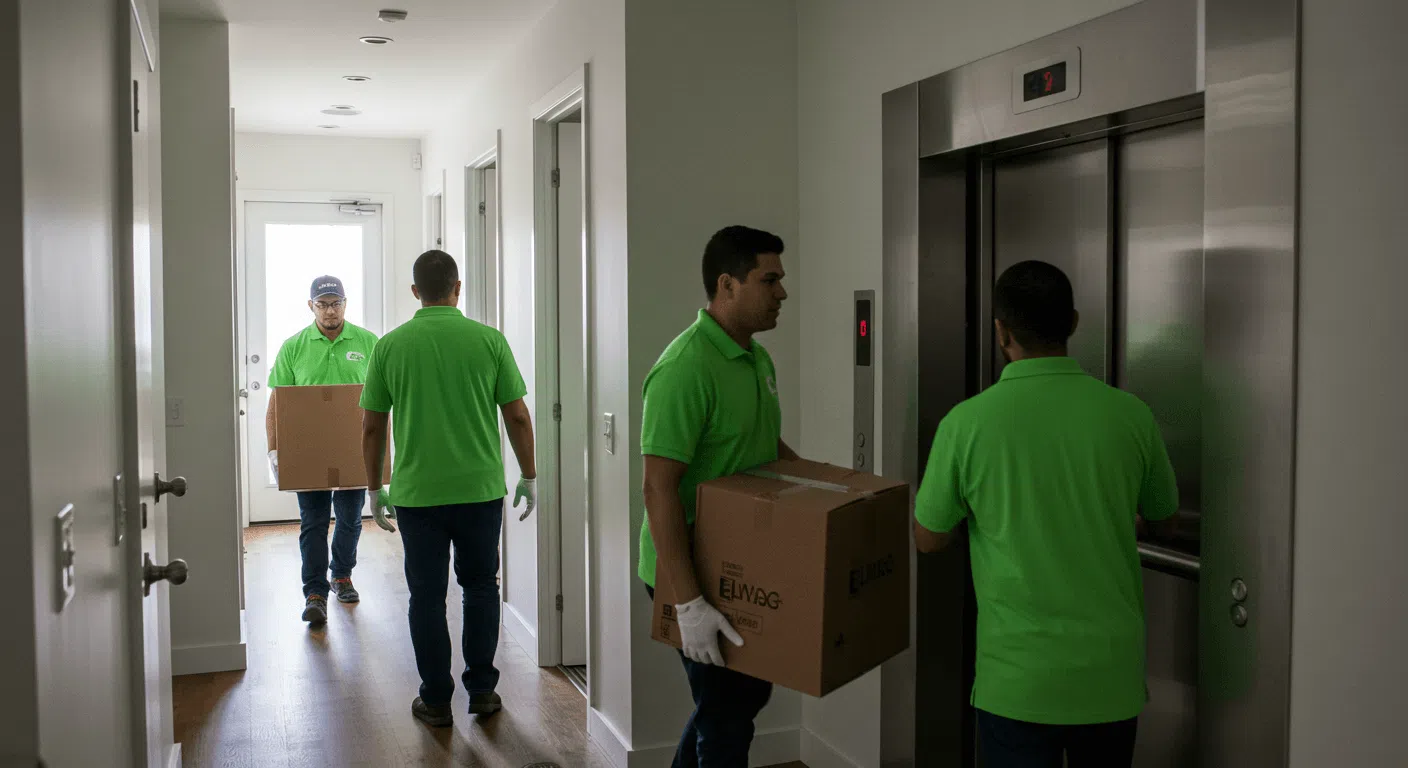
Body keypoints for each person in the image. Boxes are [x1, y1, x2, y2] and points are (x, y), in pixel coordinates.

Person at [912, 260, 1178, 768]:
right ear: (1074, 322)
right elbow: (1163, 518)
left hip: (1017, 680)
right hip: (1109, 677)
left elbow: (929, 537)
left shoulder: (965, 424)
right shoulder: (1130, 415)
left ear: (1000, 331)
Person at [640, 225, 800, 767]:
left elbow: (762, 443)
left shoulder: (756, 358)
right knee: (727, 715)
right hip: (689, 565)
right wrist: (688, 603)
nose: (782, 292)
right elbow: (657, 487)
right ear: (727, 285)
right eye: (770, 279)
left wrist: (824, 489)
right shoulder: (686, 367)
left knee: (737, 701)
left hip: (740, 560)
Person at [359, 249, 538, 728]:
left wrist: (375, 489)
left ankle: (436, 699)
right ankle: (482, 691)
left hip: (417, 496)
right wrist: (530, 473)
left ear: (415, 292)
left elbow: (372, 428)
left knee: (426, 595)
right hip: (479, 490)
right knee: (481, 587)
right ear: (458, 288)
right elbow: (517, 414)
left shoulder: (390, 346)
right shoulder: (489, 340)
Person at [266, 275, 379, 625]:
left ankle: (341, 575)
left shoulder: (368, 342)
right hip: (309, 453)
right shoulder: (294, 346)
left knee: (350, 518)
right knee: (313, 522)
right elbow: (277, 404)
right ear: (311, 306)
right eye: (323, 304)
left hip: (354, 450)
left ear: (346, 303)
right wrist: (274, 451)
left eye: (336, 303)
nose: (330, 310)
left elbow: (384, 399)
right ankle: (315, 592)